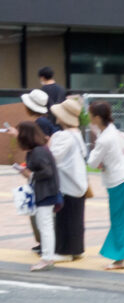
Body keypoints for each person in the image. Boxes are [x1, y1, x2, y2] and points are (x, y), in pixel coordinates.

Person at [89, 100, 124, 269]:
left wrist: (97, 157)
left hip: (116, 181)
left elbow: (92, 163)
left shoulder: (103, 138)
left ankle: (121, 258)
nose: (90, 118)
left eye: (91, 115)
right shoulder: (111, 130)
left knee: (119, 219)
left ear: (98, 117)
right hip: (123, 175)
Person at [16, 121, 61, 272]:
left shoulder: (38, 152)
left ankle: (47, 259)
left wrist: (31, 174)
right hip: (46, 192)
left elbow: (46, 172)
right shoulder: (39, 149)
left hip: (46, 193)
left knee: (45, 225)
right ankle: (47, 257)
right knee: (45, 225)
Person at [48, 98, 88, 261]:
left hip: (67, 183)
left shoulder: (62, 136)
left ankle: (65, 252)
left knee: (65, 218)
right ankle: (76, 249)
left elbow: (52, 157)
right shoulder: (77, 134)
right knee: (76, 218)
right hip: (79, 182)